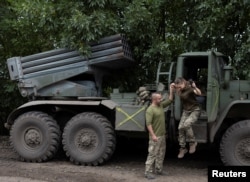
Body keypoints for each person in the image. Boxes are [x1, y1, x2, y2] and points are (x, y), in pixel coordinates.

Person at [144, 83, 175, 180]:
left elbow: (170, 100)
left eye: (161, 98)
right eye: (159, 99)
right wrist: (153, 135)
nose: (161, 100)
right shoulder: (150, 110)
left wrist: (171, 89)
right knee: (152, 154)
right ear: (154, 100)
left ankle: (158, 169)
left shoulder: (160, 105)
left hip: (162, 136)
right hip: (155, 136)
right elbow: (148, 124)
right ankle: (147, 172)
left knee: (161, 154)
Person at [173, 77, 202, 159]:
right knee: (180, 128)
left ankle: (193, 143)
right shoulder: (179, 89)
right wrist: (173, 88)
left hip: (194, 110)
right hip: (186, 111)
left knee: (186, 125)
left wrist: (195, 87)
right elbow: (177, 93)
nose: (178, 88)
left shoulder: (189, 88)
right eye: (177, 86)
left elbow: (199, 93)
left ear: (183, 82)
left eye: (179, 86)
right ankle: (182, 148)